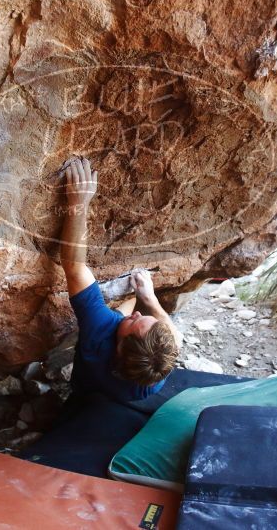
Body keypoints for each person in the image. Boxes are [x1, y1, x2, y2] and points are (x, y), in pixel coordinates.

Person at [59, 156, 182, 401]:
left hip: (85, 385)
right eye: (146, 319)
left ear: (119, 349)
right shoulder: (151, 378)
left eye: (134, 323)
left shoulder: (99, 331)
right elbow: (174, 338)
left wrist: (79, 201)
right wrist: (150, 299)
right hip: (117, 393)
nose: (138, 314)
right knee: (128, 313)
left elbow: (73, 267)